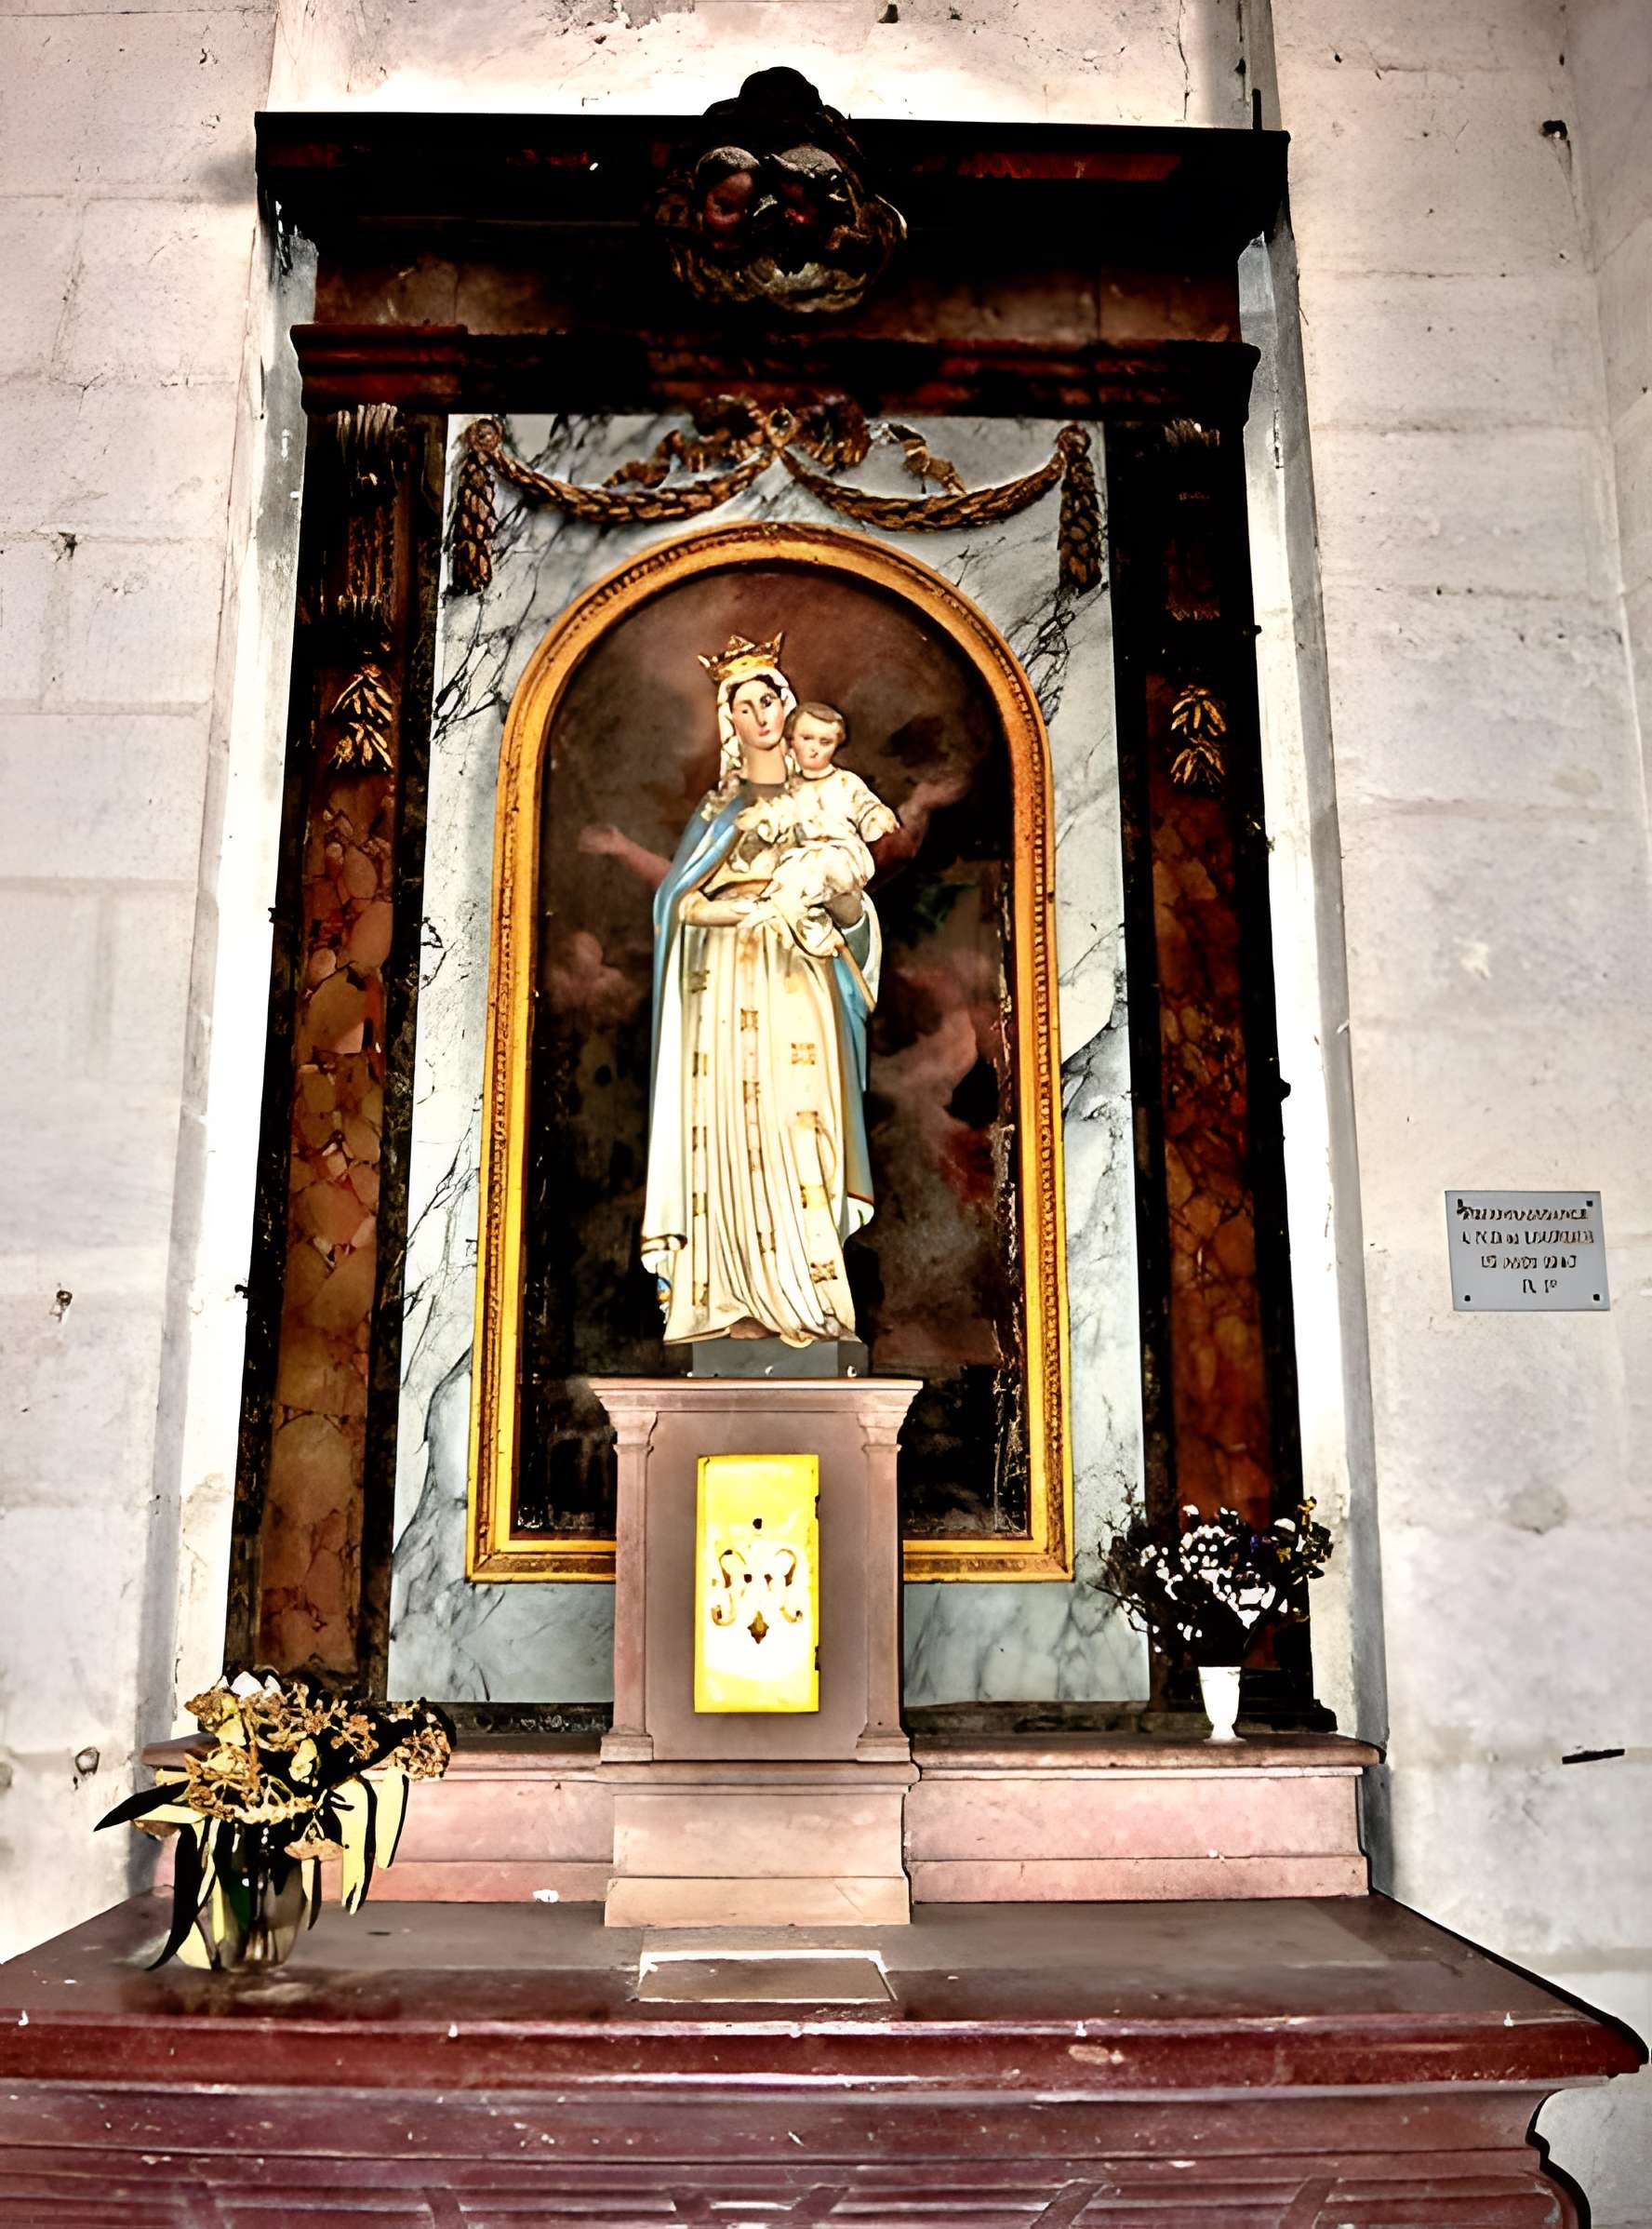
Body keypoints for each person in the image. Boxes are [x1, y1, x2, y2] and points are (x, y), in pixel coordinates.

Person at [639, 635, 884, 1348]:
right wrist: (739, 912)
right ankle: (727, 1294)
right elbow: (677, 904)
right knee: (726, 1127)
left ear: (787, 704)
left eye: (769, 699)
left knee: (800, 1125)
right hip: (723, 985)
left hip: (799, 980)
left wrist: (837, 897)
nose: (761, 715)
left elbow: (855, 917)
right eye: (743, 706)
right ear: (730, 722)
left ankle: (810, 1294)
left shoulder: (826, 799)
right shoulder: (718, 811)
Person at [743, 701, 899, 965]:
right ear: (791, 741)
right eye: (807, 738)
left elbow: (866, 807)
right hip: (800, 861)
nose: (814, 748)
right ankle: (793, 919)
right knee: (786, 870)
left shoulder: (845, 782)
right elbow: (777, 819)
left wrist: (878, 816)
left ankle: (799, 921)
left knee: (815, 864)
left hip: (840, 857)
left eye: (825, 742)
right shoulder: (788, 787)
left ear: (836, 744)